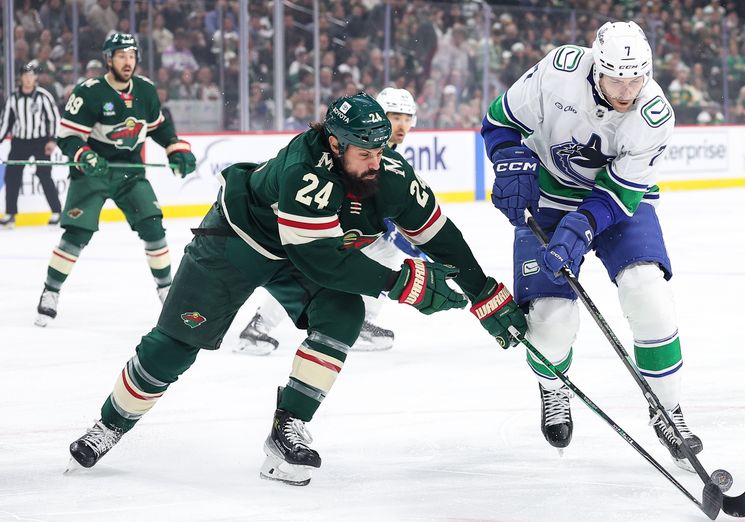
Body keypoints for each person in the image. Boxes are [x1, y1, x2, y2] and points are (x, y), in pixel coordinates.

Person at [66, 92, 527, 486]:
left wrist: (482, 291)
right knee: (177, 344)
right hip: (238, 241)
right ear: (334, 142)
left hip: (299, 251)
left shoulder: (388, 172)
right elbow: (320, 260)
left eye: (381, 150)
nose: (376, 162)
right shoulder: (304, 168)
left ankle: (289, 426)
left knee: (342, 316)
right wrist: (402, 281)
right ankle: (108, 425)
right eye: (364, 153)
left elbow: (440, 236)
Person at [482, 21, 702, 470]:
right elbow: (498, 122)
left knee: (648, 292)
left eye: (636, 79)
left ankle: (668, 408)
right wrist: (508, 158)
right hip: (547, 198)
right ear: (595, 68)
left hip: (617, 204)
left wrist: (582, 225)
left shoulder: (654, 114)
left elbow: (620, 194)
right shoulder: (559, 70)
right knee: (550, 322)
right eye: (616, 79)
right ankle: (553, 386)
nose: (626, 91)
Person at [235, 87, 424, 354]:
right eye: (394, 116)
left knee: (384, 250)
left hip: (342, 226)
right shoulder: (353, 145)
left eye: (407, 117)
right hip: (312, 221)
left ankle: (362, 322)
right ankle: (258, 326)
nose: (401, 125)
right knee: (311, 268)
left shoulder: (386, 155)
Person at [34, 33, 196, 326]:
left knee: (153, 227)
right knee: (77, 234)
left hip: (130, 172)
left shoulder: (146, 90)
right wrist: (84, 155)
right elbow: (67, 136)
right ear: (109, 59)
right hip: (93, 173)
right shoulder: (90, 91)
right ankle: (50, 291)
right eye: (121, 55)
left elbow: (158, 127)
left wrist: (175, 147)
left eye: (132, 55)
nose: (127, 61)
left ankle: (166, 291)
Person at [0, 62, 62, 229]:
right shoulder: (13, 98)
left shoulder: (43, 96)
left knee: (44, 175)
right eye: (25, 75)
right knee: (12, 176)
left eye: (31, 75)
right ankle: (10, 214)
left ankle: (57, 211)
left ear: (35, 77)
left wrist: (52, 140)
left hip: (41, 141)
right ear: (21, 78)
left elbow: (54, 119)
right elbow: (5, 123)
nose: (28, 78)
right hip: (20, 141)